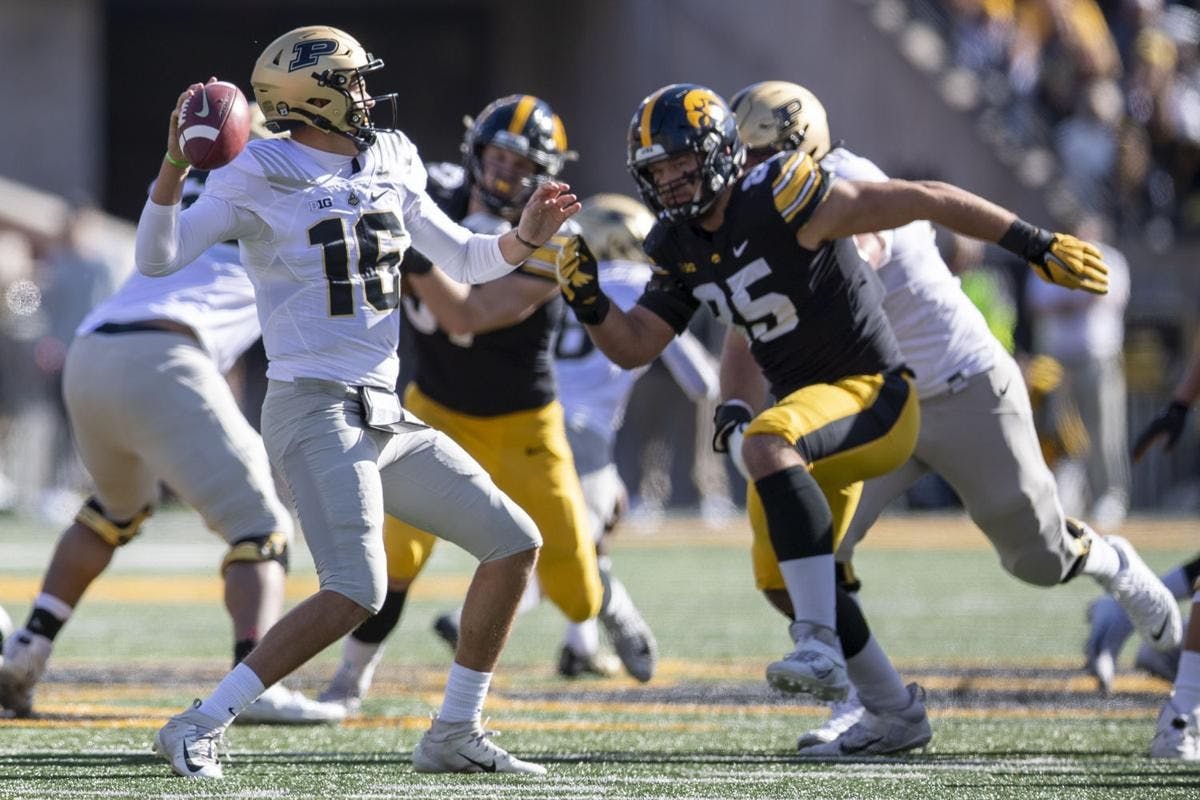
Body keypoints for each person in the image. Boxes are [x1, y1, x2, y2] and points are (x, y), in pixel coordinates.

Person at [553, 80, 1112, 745]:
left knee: (768, 446)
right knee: (778, 570)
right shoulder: (677, 245)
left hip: (876, 389)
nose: (672, 181)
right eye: (658, 171)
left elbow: (923, 200)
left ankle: (817, 642)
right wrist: (589, 302)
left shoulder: (784, 192)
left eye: (683, 163)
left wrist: (1032, 242)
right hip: (816, 415)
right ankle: (892, 711)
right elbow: (634, 344)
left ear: (722, 153)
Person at [136, 25, 579, 778]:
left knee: (514, 543)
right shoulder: (258, 170)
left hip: (384, 409)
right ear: (312, 97)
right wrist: (177, 165)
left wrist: (522, 237)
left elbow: (465, 262)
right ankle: (199, 722)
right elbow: (158, 257)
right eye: (353, 83)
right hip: (313, 405)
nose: (368, 95)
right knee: (356, 589)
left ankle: (454, 731)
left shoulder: (392, 155)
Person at [723, 80, 1183, 752]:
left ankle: (1113, 563)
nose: (752, 174)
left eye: (764, 158)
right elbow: (741, 335)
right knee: (798, 560)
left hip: (960, 385)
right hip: (875, 402)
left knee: (1037, 557)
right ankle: (875, 705)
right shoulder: (755, 212)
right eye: (745, 159)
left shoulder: (849, 184)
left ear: (804, 148)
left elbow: (862, 255)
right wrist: (736, 412)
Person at [317, 97, 654, 711]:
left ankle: (610, 598)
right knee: (393, 556)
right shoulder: (436, 193)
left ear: (546, 174)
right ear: (474, 152)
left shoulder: (558, 237)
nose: (503, 174)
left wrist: (406, 250)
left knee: (574, 588)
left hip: (526, 424)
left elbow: (465, 317)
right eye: (496, 157)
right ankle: (349, 682)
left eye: (520, 165)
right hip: (435, 408)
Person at [0, 170, 343, 726]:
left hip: (94, 350)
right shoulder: (288, 193)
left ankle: (28, 646)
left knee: (114, 512)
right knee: (263, 530)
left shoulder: (189, 195)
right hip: (167, 350)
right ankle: (250, 684)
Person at [552, 193, 719, 674]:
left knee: (600, 516)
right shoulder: (636, 281)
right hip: (584, 431)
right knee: (567, 542)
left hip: (532, 420)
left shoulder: (559, 276)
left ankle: (580, 645)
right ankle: (460, 620)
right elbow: (702, 380)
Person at [1026, 215, 1132, 530]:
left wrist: (1068, 300)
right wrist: (1073, 300)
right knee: (1061, 432)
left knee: (1104, 429)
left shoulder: (1109, 258)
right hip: (1058, 360)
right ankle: (1069, 497)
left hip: (1098, 357)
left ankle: (1110, 496)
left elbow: (1103, 296)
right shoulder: (1049, 256)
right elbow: (1038, 303)